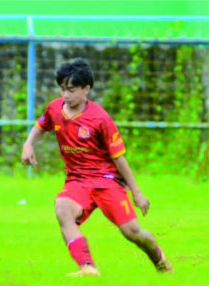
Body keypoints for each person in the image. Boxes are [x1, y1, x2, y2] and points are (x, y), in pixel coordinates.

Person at [21, 58, 173, 276]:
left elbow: (120, 159)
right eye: (62, 89)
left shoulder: (100, 119)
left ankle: (159, 259)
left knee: (133, 232)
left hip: (106, 181)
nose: (65, 95)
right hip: (77, 181)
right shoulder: (55, 108)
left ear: (87, 89)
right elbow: (41, 125)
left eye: (71, 89)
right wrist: (28, 144)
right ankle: (87, 266)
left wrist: (137, 193)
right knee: (62, 208)